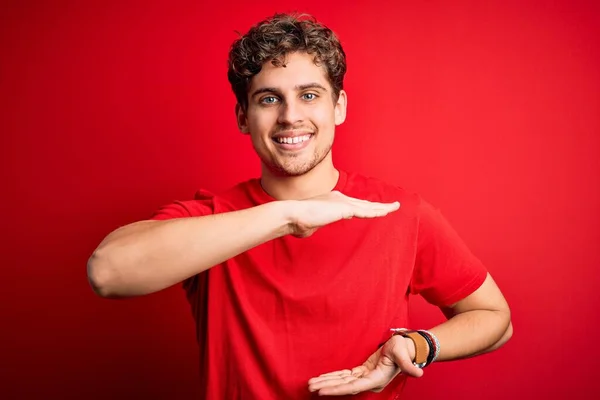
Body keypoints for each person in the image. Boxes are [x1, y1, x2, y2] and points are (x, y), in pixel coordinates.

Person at [87, 13, 512, 399]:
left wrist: (417, 345)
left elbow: (495, 319)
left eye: (309, 95)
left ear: (338, 107)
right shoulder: (214, 220)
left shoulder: (397, 212)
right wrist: (286, 215)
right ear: (242, 116)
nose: (290, 116)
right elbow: (107, 272)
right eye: (269, 99)